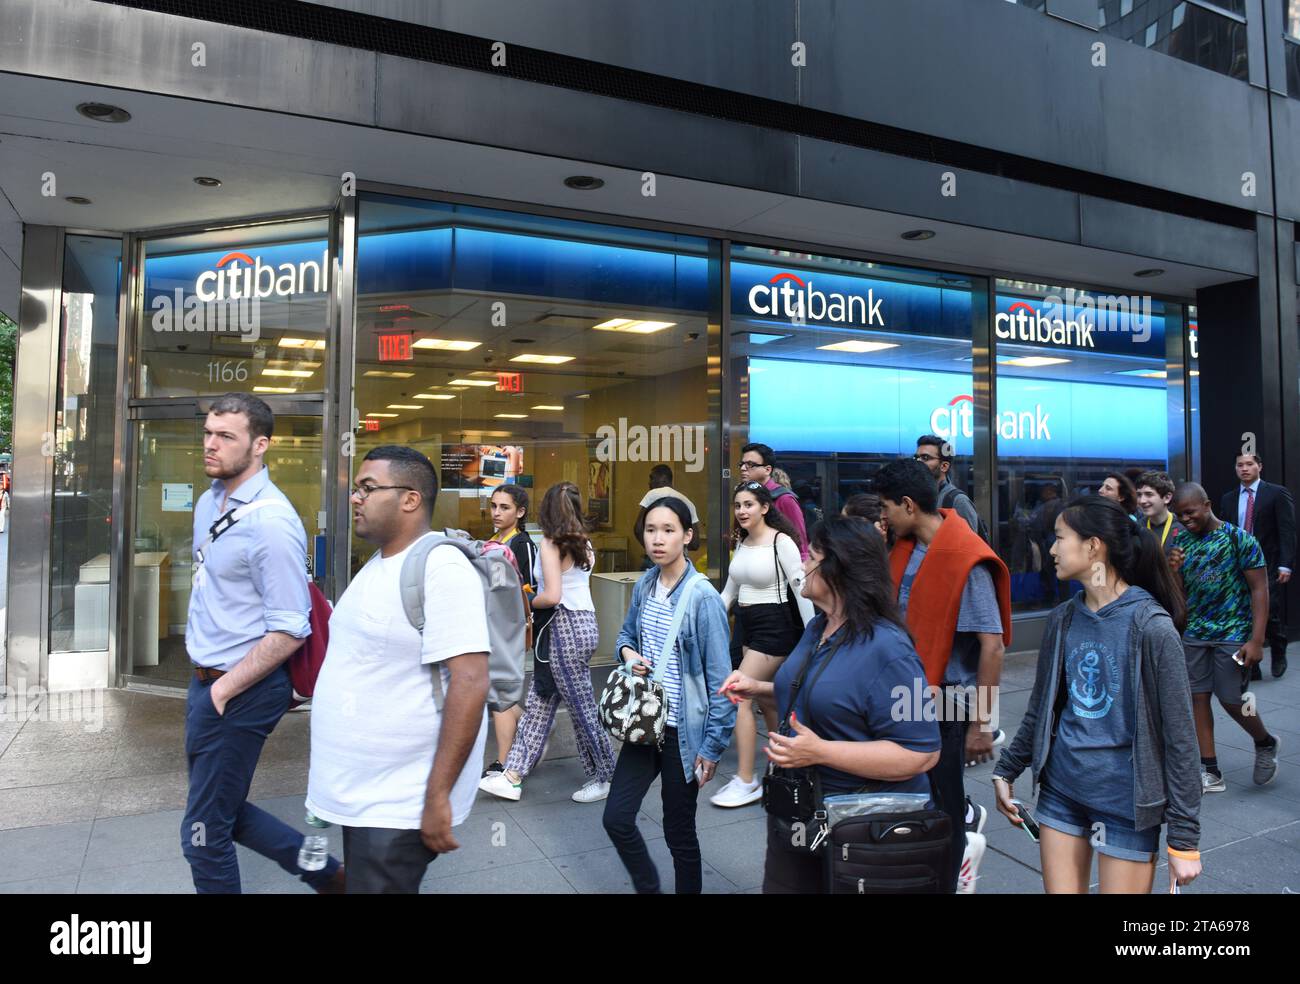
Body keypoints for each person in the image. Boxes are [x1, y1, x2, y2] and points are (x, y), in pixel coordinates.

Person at [720, 517, 943, 894]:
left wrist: (820, 752)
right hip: (796, 815)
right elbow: (813, 693)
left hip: (857, 826)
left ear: (837, 567)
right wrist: (756, 687)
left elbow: (922, 753)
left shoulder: (890, 650)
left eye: (812, 557)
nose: (804, 565)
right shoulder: (818, 627)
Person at [992, 495, 1202, 894]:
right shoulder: (1063, 618)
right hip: (1061, 792)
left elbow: (1180, 739)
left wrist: (1185, 839)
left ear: (1093, 546)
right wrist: (1007, 768)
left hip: (1126, 805)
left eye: (1059, 538)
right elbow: (1042, 709)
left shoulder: (1151, 628)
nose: (1051, 549)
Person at [306, 447, 490, 892]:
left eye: (368, 488)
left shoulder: (442, 567)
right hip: (365, 796)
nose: (355, 498)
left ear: (410, 499)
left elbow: (470, 681)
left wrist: (437, 796)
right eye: (356, 488)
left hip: (398, 803)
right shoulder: (382, 561)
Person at [180, 393, 343, 893]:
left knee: (203, 837)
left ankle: (335, 878)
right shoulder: (210, 499)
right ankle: (334, 878)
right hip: (206, 682)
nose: (211, 444)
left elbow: (292, 626)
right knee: (219, 810)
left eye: (226, 436)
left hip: (242, 691)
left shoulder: (270, 522)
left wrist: (223, 692)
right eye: (209, 432)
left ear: (260, 445)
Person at [874, 457, 1011, 894]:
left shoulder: (966, 557)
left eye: (887, 507)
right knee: (916, 794)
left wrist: (980, 725)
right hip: (906, 690)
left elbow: (993, 646)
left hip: (950, 697)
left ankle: (955, 871)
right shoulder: (905, 546)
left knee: (944, 799)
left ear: (909, 505)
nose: (884, 516)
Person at [603, 497, 736, 893]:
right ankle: (649, 885)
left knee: (679, 833)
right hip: (646, 723)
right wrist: (629, 655)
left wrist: (712, 748)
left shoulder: (703, 598)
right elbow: (625, 637)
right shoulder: (646, 583)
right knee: (617, 817)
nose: (657, 539)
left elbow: (721, 683)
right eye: (650, 530)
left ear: (688, 536)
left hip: (684, 735)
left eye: (668, 530)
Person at [480, 481, 616, 803]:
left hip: (563, 627)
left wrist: (525, 600)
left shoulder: (551, 543)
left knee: (582, 708)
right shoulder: (583, 542)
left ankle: (606, 775)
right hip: (583, 622)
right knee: (540, 701)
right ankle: (512, 775)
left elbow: (553, 596)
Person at [1170, 483, 1283, 791]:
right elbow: (1180, 591)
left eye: (1190, 513)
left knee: (1232, 698)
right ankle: (1211, 770)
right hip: (1195, 633)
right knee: (1198, 697)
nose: (1185, 520)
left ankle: (1265, 741)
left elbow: (1260, 589)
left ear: (1207, 505)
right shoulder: (1181, 542)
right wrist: (1175, 572)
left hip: (1234, 633)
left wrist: (1257, 640)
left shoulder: (1239, 539)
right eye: (1180, 516)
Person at [710, 481, 815, 808]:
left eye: (749, 505)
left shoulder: (780, 541)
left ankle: (746, 780)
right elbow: (729, 591)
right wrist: (701, 613)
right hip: (749, 627)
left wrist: (814, 637)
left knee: (739, 694)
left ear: (765, 508)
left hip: (776, 628)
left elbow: (801, 591)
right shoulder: (742, 543)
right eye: (738, 505)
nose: (741, 511)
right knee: (767, 702)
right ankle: (787, 764)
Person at [481, 484, 539, 778]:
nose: (496, 512)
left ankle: (504, 763)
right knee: (498, 695)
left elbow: (528, 590)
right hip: (492, 626)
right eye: (494, 506)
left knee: (501, 695)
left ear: (520, 512)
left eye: (504, 507)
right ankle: (534, 727)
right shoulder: (491, 540)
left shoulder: (522, 544)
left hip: (509, 629)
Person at [1220, 453, 1295, 678]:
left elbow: (1286, 530)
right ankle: (1251, 664)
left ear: (1259, 467)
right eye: (1240, 465)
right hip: (1238, 563)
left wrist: (1285, 564)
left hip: (1268, 561)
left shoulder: (1276, 493)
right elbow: (1224, 532)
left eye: (1249, 464)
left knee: (1268, 610)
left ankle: (1279, 649)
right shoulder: (1228, 498)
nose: (1244, 469)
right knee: (1243, 611)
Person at [739, 442, 808, 558]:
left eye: (750, 464)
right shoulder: (744, 496)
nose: (742, 468)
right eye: (742, 464)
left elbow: (801, 544)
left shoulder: (784, 499)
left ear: (767, 469)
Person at [632, 464, 701, 566]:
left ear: (663, 478)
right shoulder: (688, 502)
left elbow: (638, 529)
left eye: (652, 478)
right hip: (680, 563)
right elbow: (695, 543)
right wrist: (675, 547)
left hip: (656, 561)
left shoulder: (653, 494)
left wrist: (653, 551)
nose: (649, 483)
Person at [915, 434, 983, 537]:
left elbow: (968, 548)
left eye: (925, 458)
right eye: (916, 458)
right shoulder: (915, 497)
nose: (918, 462)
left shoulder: (957, 501)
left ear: (944, 466)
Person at [1135, 470, 1185, 557]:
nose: (1142, 501)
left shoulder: (1182, 527)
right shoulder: (1137, 528)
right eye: (1139, 495)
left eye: (1149, 494)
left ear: (1167, 497)